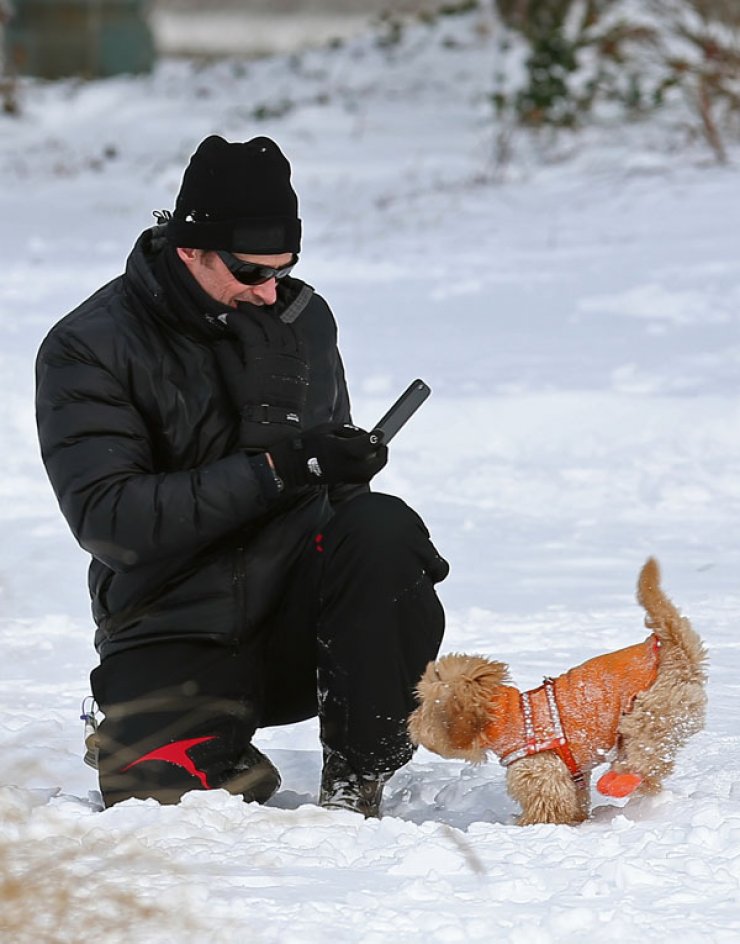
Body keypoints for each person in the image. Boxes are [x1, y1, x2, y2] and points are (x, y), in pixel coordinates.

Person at [35, 134, 448, 816]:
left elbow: (339, 507)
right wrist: (277, 468)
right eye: (251, 271)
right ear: (189, 247)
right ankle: (180, 743)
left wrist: (345, 467)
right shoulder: (90, 345)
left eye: (283, 270)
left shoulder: (303, 319)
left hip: (295, 615)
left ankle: (358, 776)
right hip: (171, 618)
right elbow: (112, 523)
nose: (268, 290)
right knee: (156, 807)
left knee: (383, 530)